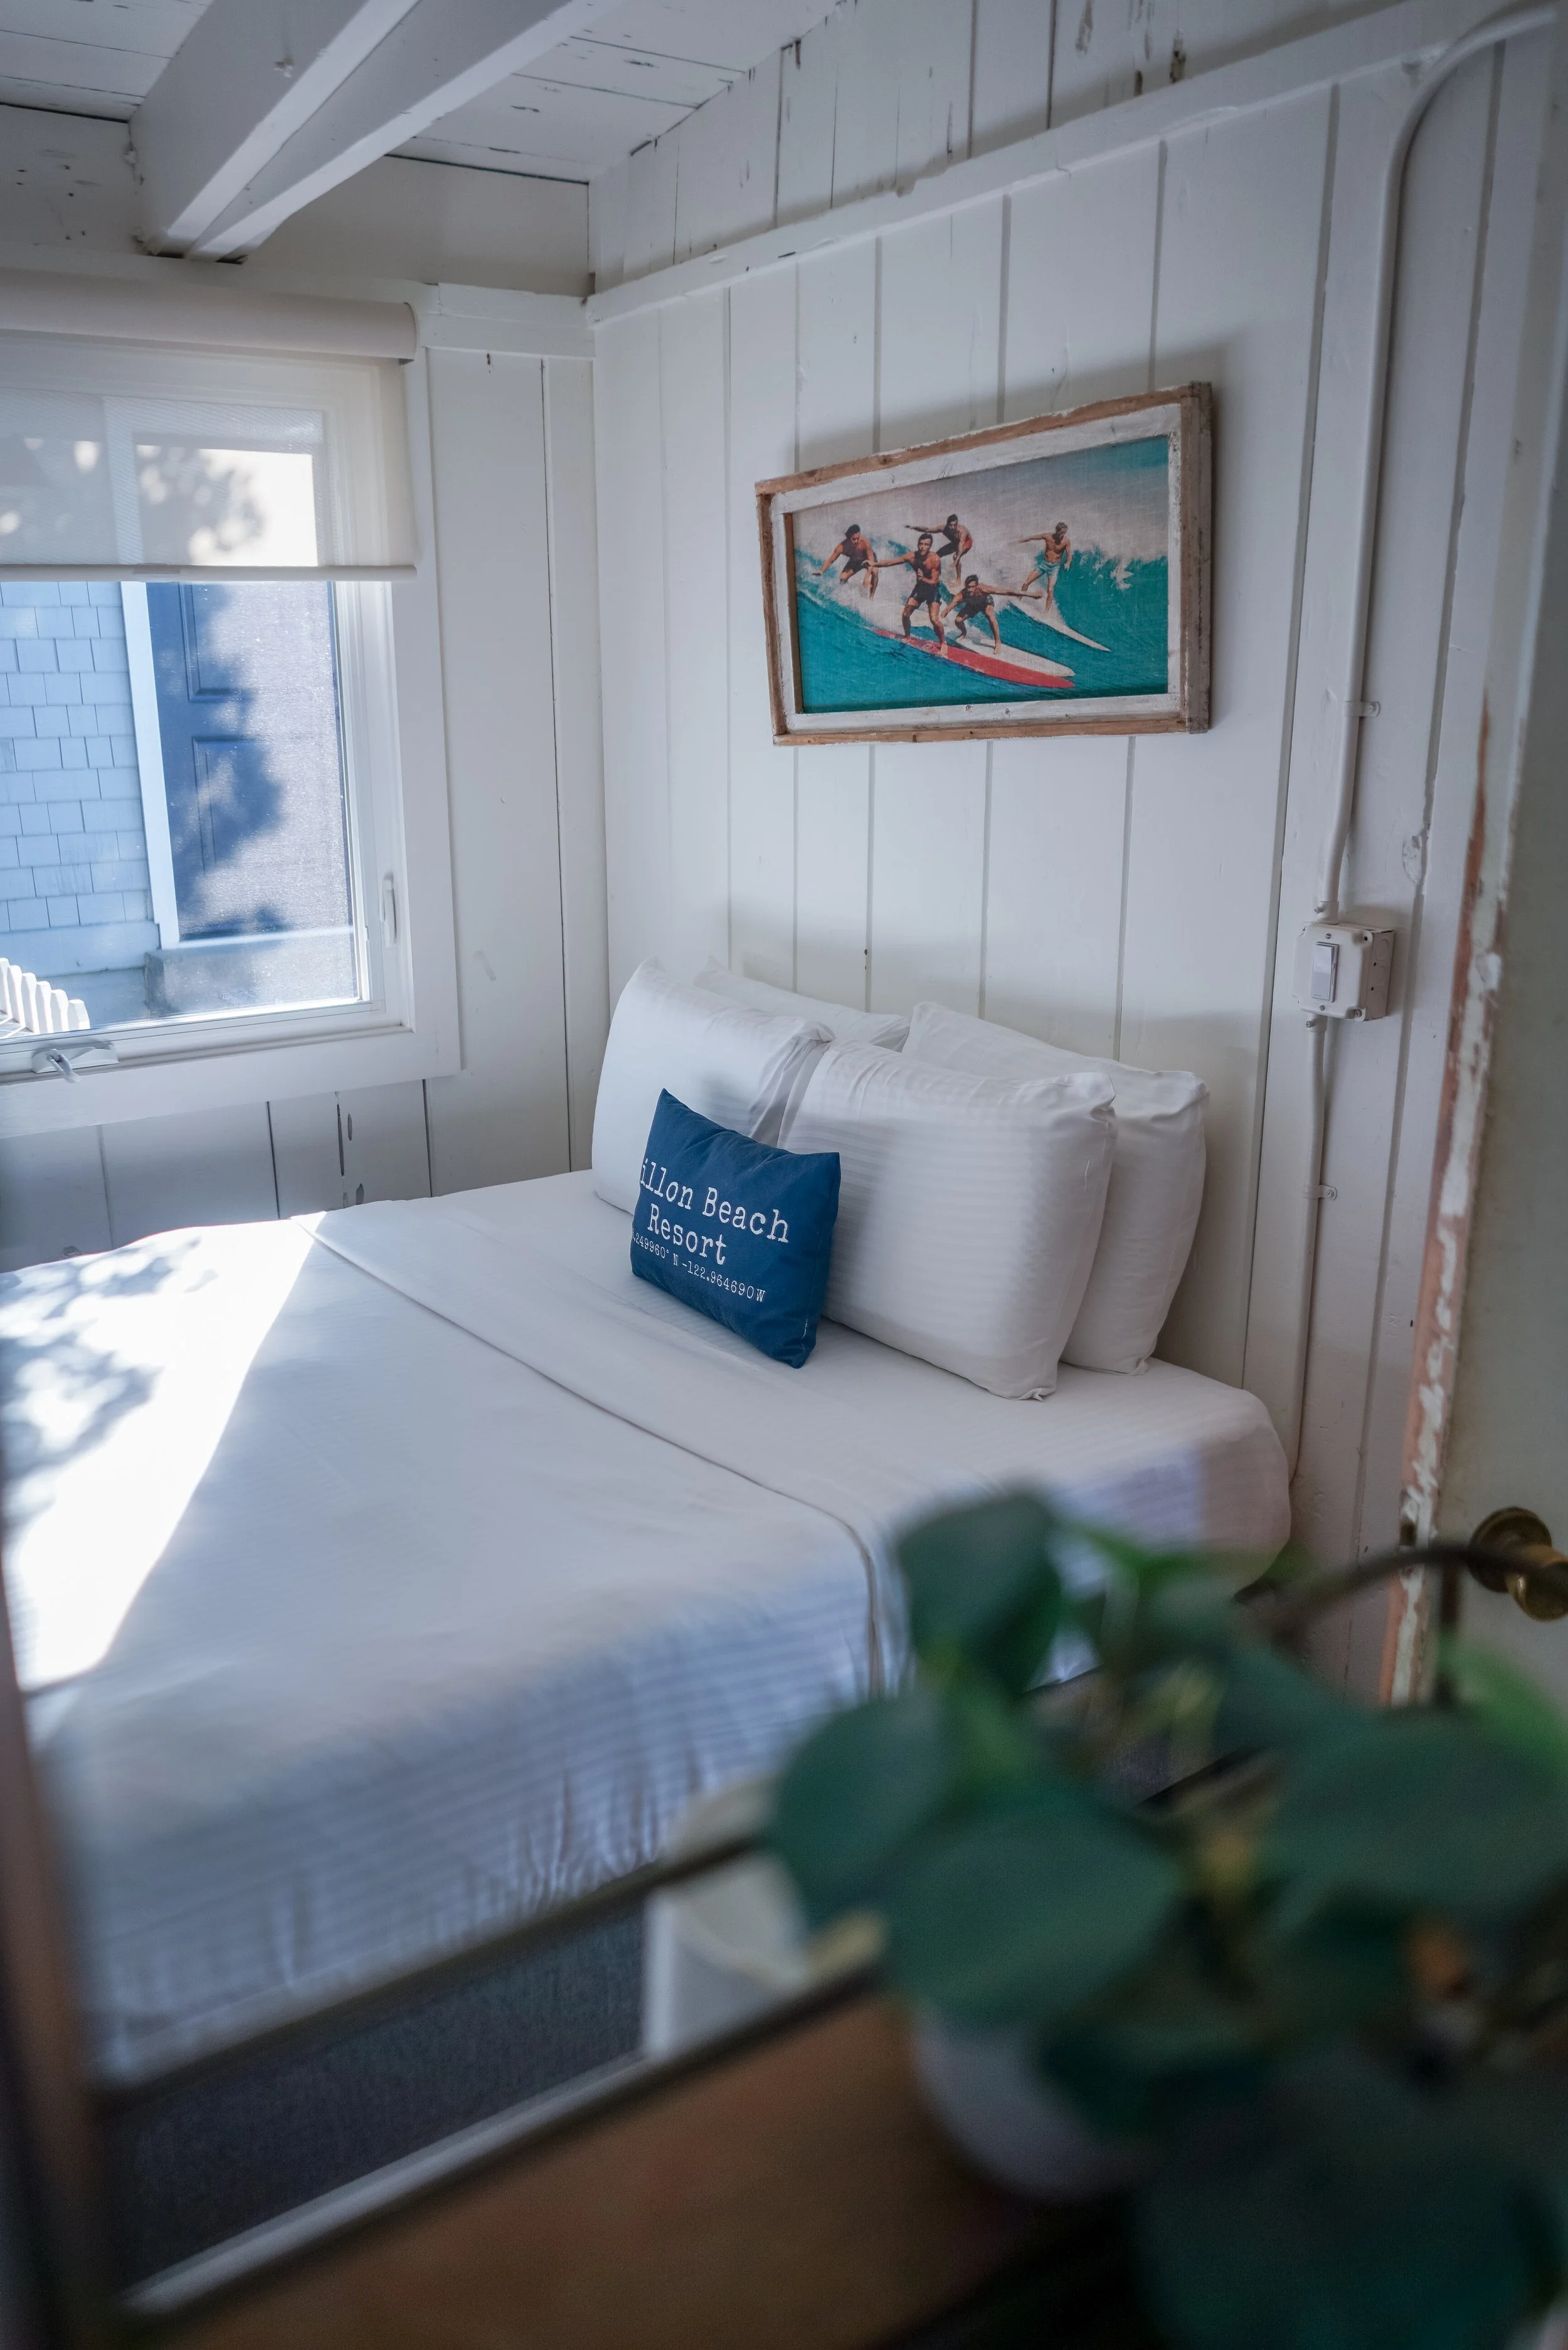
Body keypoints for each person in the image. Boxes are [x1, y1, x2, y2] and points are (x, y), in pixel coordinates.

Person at [884, 533, 949, 644]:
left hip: (933, 591)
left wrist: (923, 578)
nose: (923, 547)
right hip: (920, 589)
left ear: (930, 546)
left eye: (926, 544)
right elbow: (892, 562)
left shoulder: (935, 559)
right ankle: (907, 636)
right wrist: (874, 564)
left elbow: (934, 581)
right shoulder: (912, 556)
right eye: (921, 544)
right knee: (905, 614)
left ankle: (943, 643)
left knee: (934, 619)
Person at [941, 573, 1032, 651]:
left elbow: (1007, 592)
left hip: (986, 602)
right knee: (958, 621)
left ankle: (998, 642)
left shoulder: (983, 589)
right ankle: (964, 633)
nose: (970, 590)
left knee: (990, 615)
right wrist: (946, 611)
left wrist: (1029, 594)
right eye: (968, 587)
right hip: (973, 605)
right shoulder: (962, 595)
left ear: (977, 586)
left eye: (973, 587)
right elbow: (951, 605)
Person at [906, 512, 973, 589]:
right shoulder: (943, 529)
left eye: (955, 525)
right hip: (955, 543)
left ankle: (959, 580)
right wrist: (913, 527)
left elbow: (961, 545)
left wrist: (957, 559)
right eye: (951, 525)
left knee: (956, 556)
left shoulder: (961, 532)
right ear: (947, 524)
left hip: (967, 542)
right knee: (936, 556)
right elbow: (928, 529)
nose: (953, 527)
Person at [815, 521, 879, 596]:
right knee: (843, 578)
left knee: (875, 571)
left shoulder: (864, 542)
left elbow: (871, 561)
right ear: (848, 537)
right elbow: (831, 560)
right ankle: (846, 595)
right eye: (854, 539)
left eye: (858, 538)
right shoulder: (842, 547)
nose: (856, 541)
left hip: (868, 560)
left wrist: (867, 578)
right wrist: (821, 571)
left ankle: (871, 598)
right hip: (856, 561)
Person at [1020, 520, 1073, 601]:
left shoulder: (1066, 541)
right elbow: (1032, 538)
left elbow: (1069, 554)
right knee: (1026, 583)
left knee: (1050, 590)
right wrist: (1019, 541)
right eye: (1062, 533)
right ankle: (1019, 600)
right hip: (1044, 565)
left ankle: (1046, 613)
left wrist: (1068, 563)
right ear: (1057, 531)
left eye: (1065, 533)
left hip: (1054, 568)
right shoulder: (1048, 537)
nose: (1063, 535)